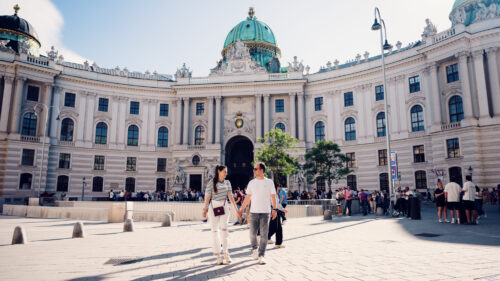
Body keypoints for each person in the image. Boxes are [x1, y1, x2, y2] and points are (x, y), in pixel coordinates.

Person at [238, 162, 278, 265]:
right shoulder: (251, 183)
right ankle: (254, 250)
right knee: (252, 234)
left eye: (255, 169)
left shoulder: (269, 182)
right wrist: (241, 208)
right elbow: (247, 197)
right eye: (254, 169)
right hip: (253, 212)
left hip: (265, 212)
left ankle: (261, 255)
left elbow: (273, 196)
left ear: (261, 170)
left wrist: (275, 209)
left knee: (264, 235)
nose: (254, 170)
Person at [202, 165, 240, 265]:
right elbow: (208, 197)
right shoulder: (211, 182)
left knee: (224, 230)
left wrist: (237, 210)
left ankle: (226, 252)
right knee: (215, 231)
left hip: (224, 206)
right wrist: (205, 209)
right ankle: (218, 255)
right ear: (219, 171)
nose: (226, 173)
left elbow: (231, 197)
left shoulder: (228, 183)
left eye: (226, 171)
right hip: (213, 207)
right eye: (224, 171)